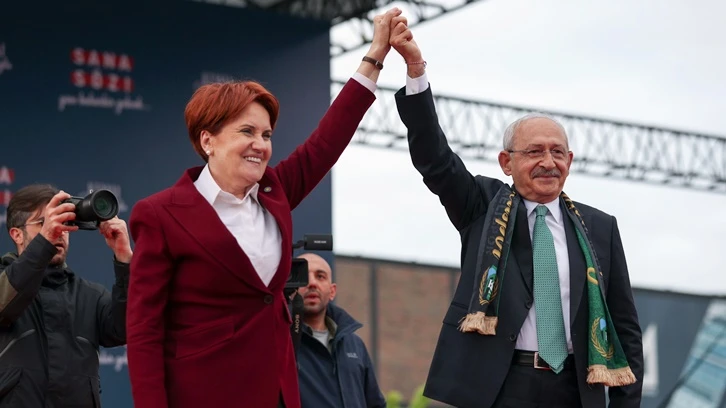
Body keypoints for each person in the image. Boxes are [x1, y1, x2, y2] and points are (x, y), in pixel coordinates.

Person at [125, 8, 402, 408]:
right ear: (208, 140)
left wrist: (374, 56)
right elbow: (144, 330)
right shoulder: (160, 214)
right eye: (247, 131)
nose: (260, 144)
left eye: (267, 134)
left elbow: (328, 140)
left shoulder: (276, 192)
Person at [387, 21, 644, 408]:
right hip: (500, 386)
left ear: (570, 161)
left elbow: (624, 327)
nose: (548, 162)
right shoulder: (481, 205)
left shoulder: (599, 228)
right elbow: (434, 158)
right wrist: (416, 71)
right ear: (506, 162)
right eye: (535, 152)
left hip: (576, 390)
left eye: (558, 152)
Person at [0, 184, 131, 407]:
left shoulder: (90, 295)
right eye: (44, 222)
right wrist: (44, 243)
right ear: (17, 234)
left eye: (65, 222)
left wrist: (124, 259)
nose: (59, 230)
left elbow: (128, 328)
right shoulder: (5, 282)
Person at [295, 253, 386, 408]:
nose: (312, 283)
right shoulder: (280, 342)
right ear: (290, 287)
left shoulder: (354, 344)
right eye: (303, 276)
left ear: (332, 291)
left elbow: (375, 404)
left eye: (320, 276)